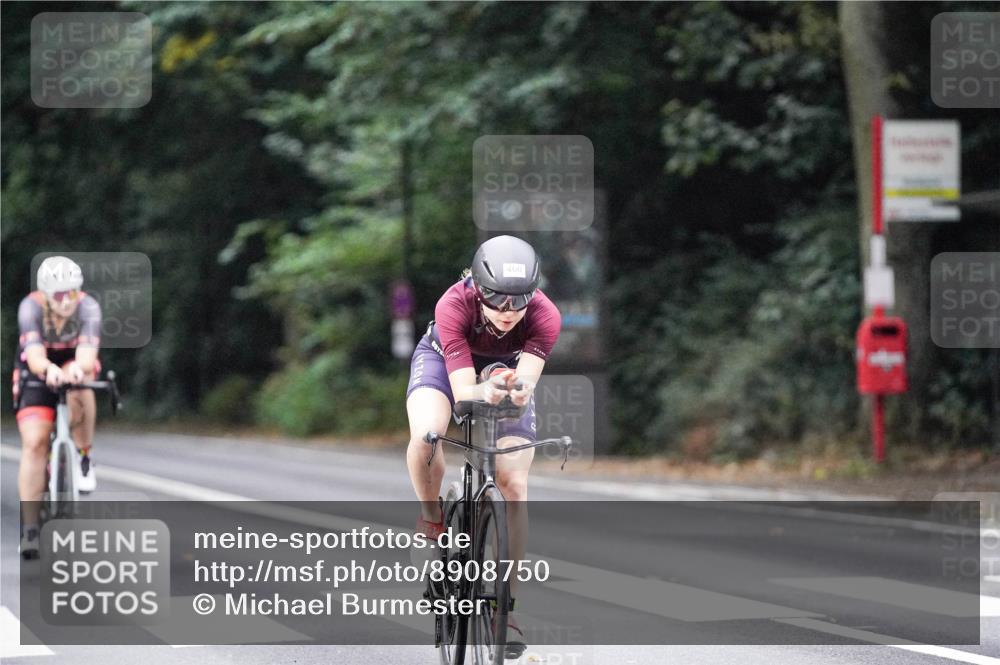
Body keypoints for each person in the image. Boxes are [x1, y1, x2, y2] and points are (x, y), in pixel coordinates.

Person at [405, 235, 561, 656]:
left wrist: (510, 390)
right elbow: (461, 391)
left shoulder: (546, 316)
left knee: (514, 485)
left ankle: (503, 609)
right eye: (496, 300)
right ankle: (432, 514)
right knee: (426, 436)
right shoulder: (453, 304)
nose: (509, 312)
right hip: (445, 365)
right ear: (476, 288)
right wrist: (483, 391)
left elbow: (524, 388)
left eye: (520, 301)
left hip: (504, 372)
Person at [15, 256, 102, 559]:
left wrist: (76, 370)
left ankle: (84, 456)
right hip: (37, 370)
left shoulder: (88, 307)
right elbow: (36, 356)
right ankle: (29, 530)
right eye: (61, 295)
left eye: (74, 292)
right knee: (35, 443)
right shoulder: (31, 308)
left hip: (73, 364)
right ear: (46, 295)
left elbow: (87, 357)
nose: (69, 301)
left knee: (83, 381)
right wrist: (48, 370)